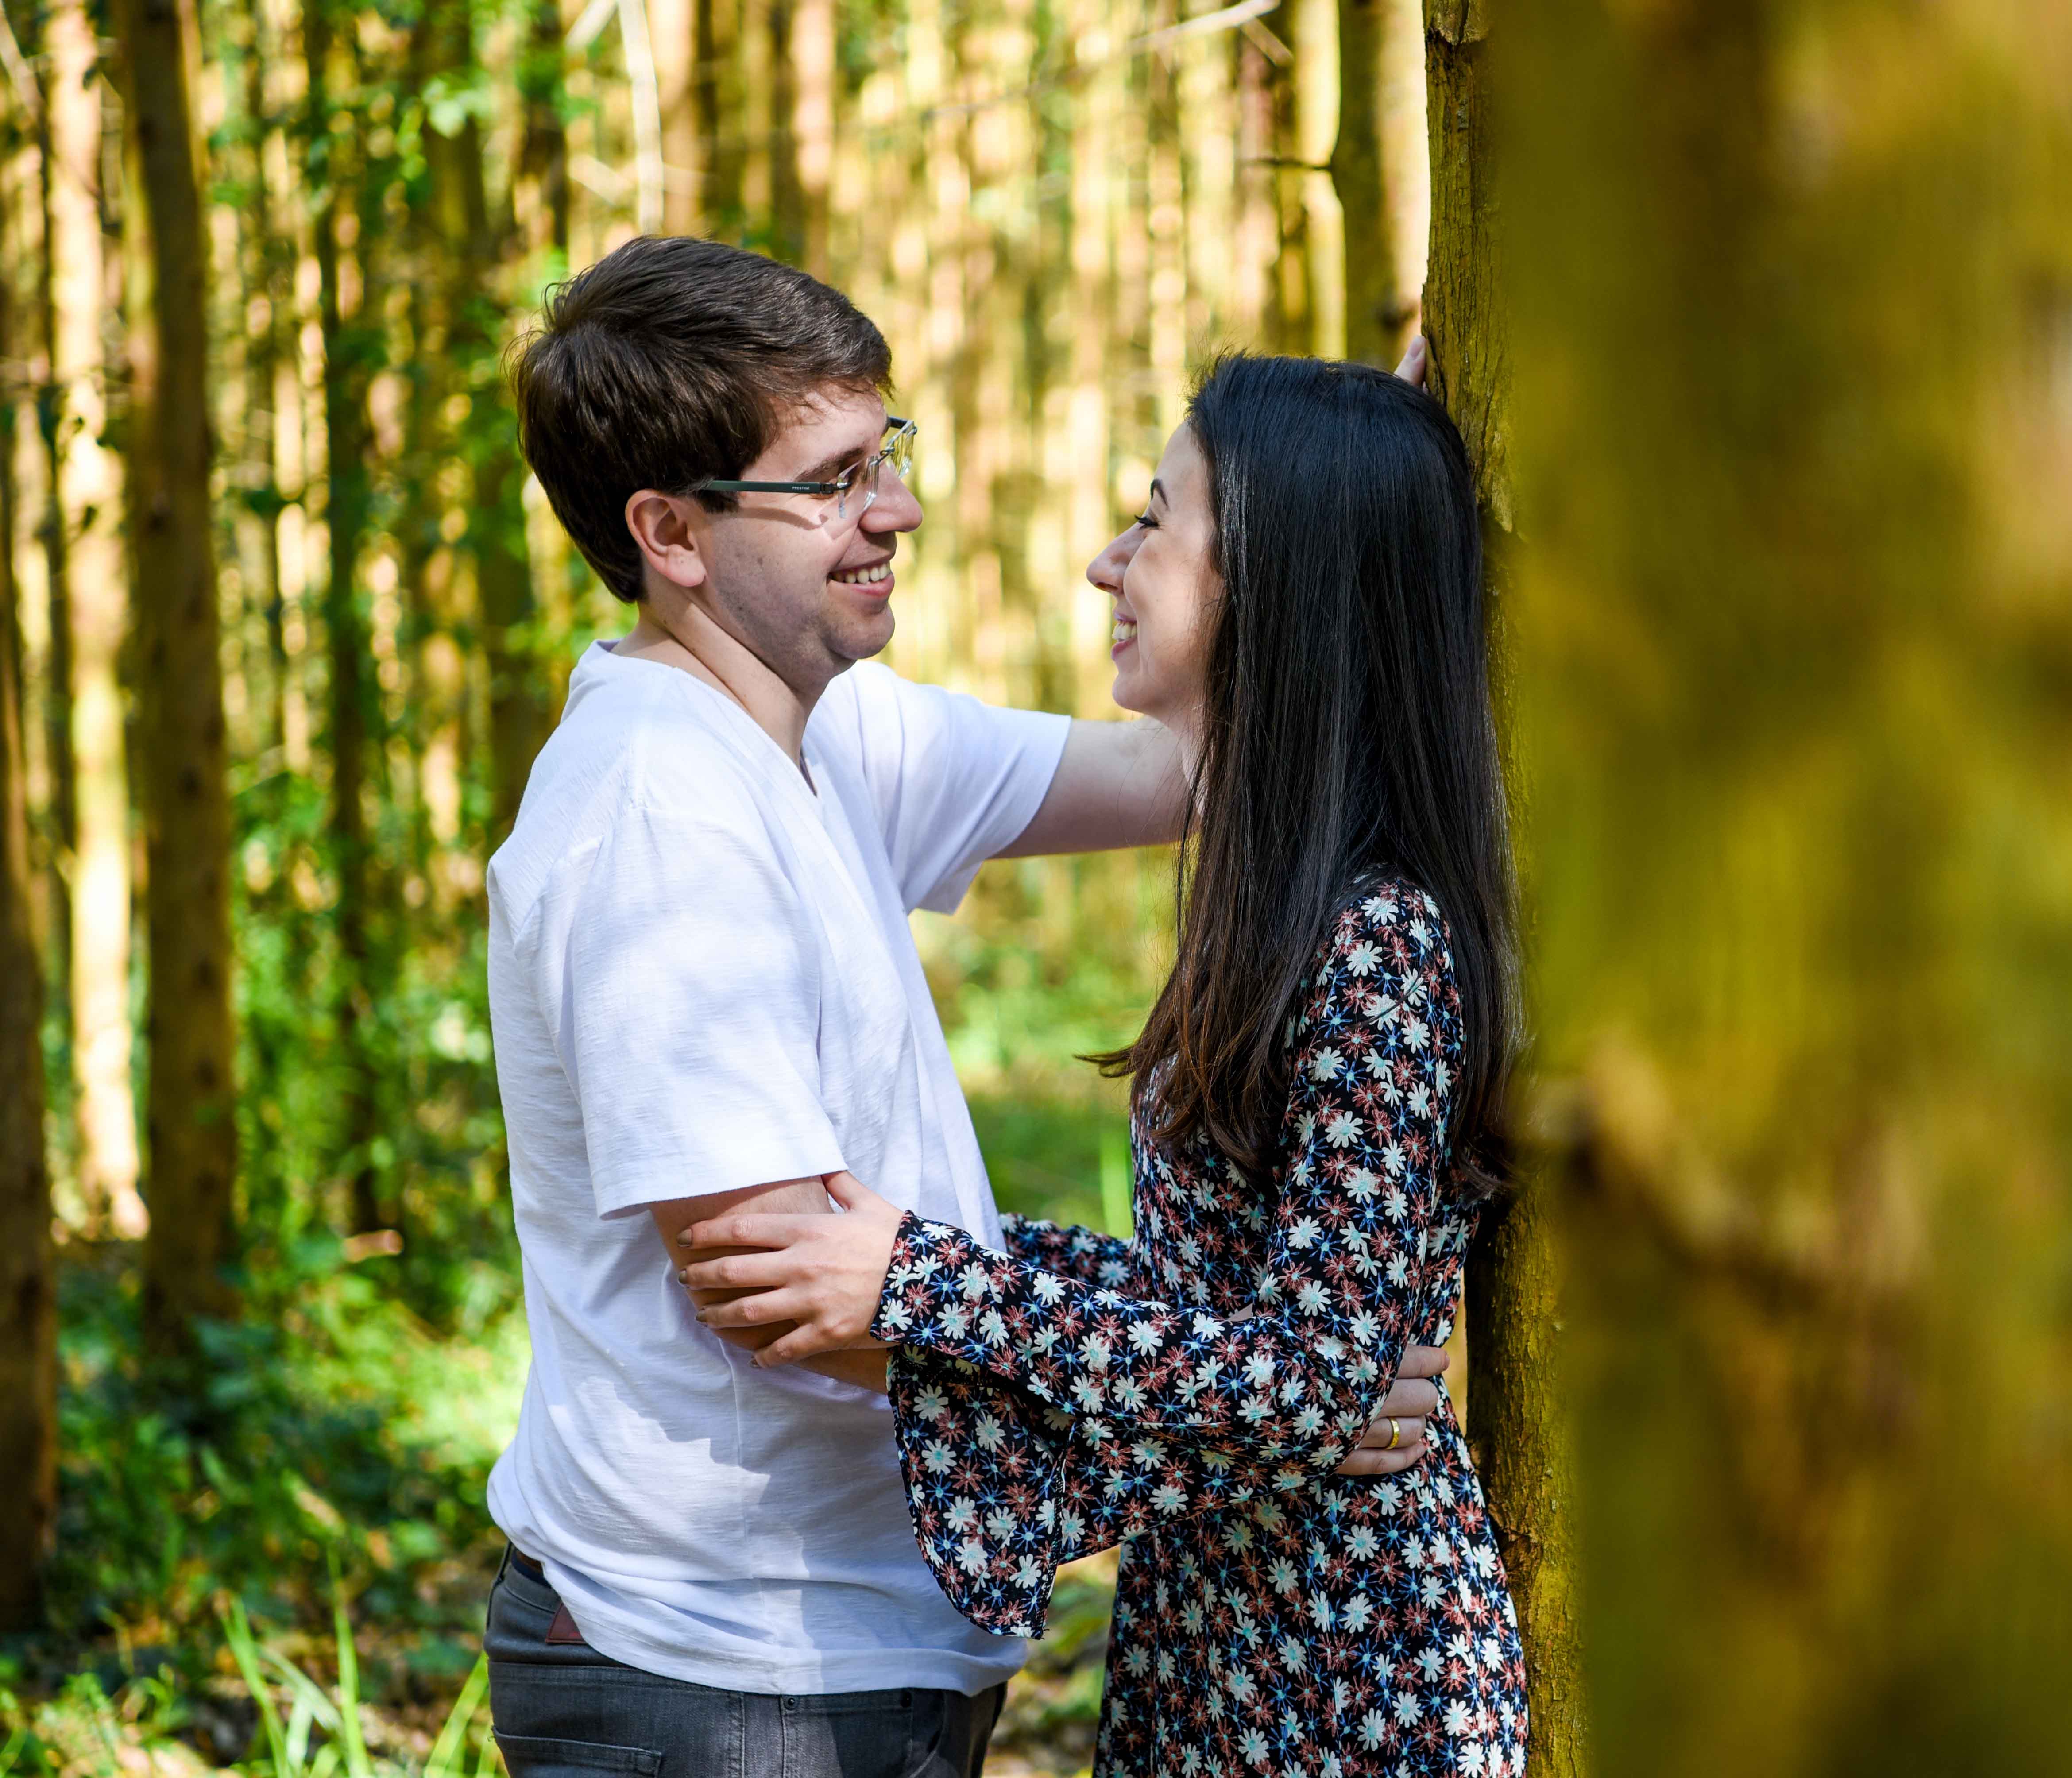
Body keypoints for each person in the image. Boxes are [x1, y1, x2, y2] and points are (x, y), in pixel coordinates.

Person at [479, 239, 1438, 1778]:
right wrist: (1270, 1397)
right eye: (835, 482)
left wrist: (1342, 513)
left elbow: (1210, 755)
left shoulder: (832, 731)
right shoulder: (661, 817)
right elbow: (797, 1299)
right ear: (670, 532)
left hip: (849, 1640)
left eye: (890, 452)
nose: (899, 510)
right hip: (725, 1675)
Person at [675, 353, 1528, 1777]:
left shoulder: (1379, 940)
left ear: (1276, 580)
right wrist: (945, 1267)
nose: (1104, 564)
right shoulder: (1279, 902)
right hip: (1222, 1627)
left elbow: (1312, 1379)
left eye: (1154, 521)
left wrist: (927, 1286)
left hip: (1351, 1677)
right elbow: (1254, 1333)